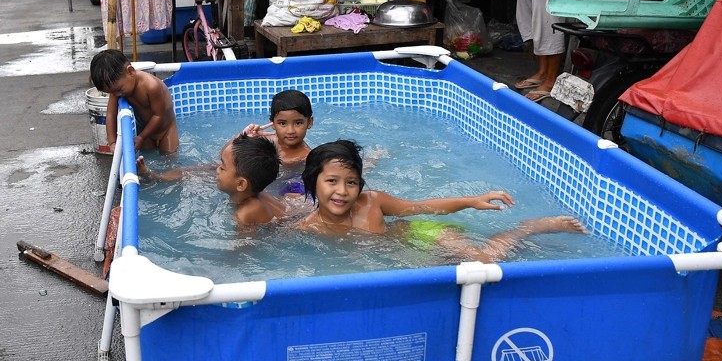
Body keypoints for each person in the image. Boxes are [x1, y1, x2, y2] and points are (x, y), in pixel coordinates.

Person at [295, 140, 585, 261]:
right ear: (313, 182)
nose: (342, 191)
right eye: (332, 181)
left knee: (484, 261)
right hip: (404, 255)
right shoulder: (308, 228)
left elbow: (423, 207)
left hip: (423, 235)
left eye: (352, 183)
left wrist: (472, 200)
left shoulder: (371, 202)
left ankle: (526, 228)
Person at [89, 48, 178, 155]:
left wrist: (141, 137)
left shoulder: (151, 86)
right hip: (144, 129)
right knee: (146, 157)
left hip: (165, 129)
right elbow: (111, 115)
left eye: (118, 90)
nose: (116, 95)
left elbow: (158, 116)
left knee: (169, 158)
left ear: (131, 72)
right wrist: (112, 142)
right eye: (112, 92)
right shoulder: (116, 89)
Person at [216, 134, 285, 230]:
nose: (217, 170)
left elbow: (247, 244)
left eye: (222, 168)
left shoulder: (244, 215)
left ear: (241, 184)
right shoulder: (258, 190)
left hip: (285, 231)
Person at [242, 89, 314, 167]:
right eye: (282, 123)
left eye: (298, 123)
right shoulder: (265, 141)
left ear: (309, 122)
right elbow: (227, 160)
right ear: (273, 123)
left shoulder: (307, 158)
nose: (290, 131)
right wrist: (243, 137)